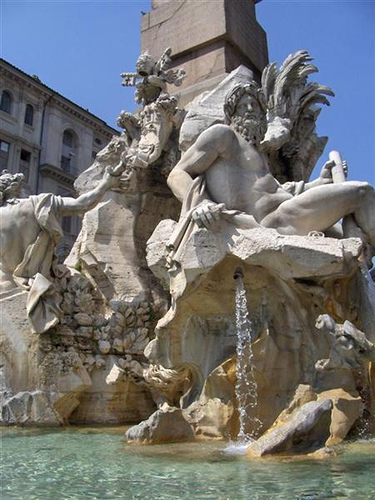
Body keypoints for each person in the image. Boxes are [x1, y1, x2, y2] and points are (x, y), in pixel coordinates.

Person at [167, 84, 375, 264]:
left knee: (346, 240)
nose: (249, 109)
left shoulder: (258, 152)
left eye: (255, 106)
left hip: (288, 213)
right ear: (231, 113)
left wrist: (320, 182)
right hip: (274, 222)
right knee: (362, 192)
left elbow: (276, 191)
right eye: (243, 105)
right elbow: (177, 173)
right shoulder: (223, 135)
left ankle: (365, 260)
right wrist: (201, 203)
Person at [0, 165, 122, 332]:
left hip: (4, 288)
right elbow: (83, 204)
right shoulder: (38, 204)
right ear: (17, 188)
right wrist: (107, 182)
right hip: (36, 289)